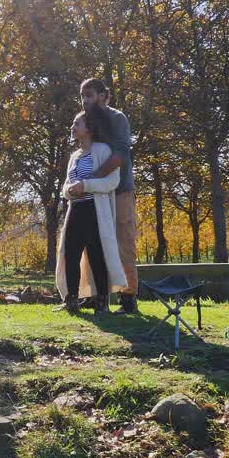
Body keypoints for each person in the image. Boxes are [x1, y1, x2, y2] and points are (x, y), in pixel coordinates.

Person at [55, 107, 127, 313]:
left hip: (95, 210)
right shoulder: (74, 156)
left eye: (77, 123)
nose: (73, 127)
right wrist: (69, 191)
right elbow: (67, 185)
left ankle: (103, 302)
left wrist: (85, 186)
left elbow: (112, 180)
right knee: (70, 254)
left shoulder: (103, 150)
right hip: (75, 210)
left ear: (89, 128)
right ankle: (71, 300)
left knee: (97, 254)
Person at [80, 78, 139, 314]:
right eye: (83, 96)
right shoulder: (84, 120)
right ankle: (93, 295)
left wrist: (93, 179)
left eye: (90, 95)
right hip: (94, 193)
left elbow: (120, 156)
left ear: (104, 95)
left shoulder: (117, 119)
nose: (85, 101)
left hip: (120, 189)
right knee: (90, 242)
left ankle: (128, 298)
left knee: (124, 242)